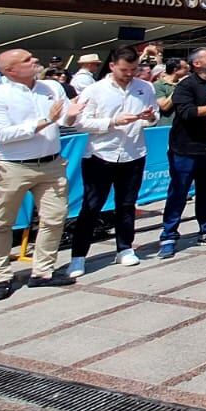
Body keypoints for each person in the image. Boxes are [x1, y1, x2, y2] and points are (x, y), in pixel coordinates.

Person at [0, 48, 84, 300]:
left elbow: (64, 121)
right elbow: (2, 134)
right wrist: (44, 121)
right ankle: (0, 277)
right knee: (2, 223)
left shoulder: (51, 87)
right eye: (26, 60)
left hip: (51, 163)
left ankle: (43, 272)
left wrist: (70, 117)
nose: (35, 60)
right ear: (10, 70)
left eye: (32, 57)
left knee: (54, 218)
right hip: (12, 166)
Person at [68, 46, 159, 277]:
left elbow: (154, 115)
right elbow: (81, 123)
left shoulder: (145, 87)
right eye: (124, 69)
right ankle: (78, 256)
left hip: (133, 153)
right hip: (101, 154)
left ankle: (125, 247)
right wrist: (112, 122)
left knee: (127, 204)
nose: (129, 73)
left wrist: (149, 118)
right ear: (112, 66)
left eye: (133, 69)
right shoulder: (95, 90)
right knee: (91, 206)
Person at [159, 47, 206, 259]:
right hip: (186, 149)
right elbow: (187, 113)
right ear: (197, 64)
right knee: (178, 193)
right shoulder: (186, 85)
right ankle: (168, 235)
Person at [155, 57, 187, 123]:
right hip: (167, 126)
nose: (188, 70)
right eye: (185, 68)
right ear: (175, 70)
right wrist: (179, 87)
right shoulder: (158, 85)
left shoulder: (186, 83)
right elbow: (164, 106)